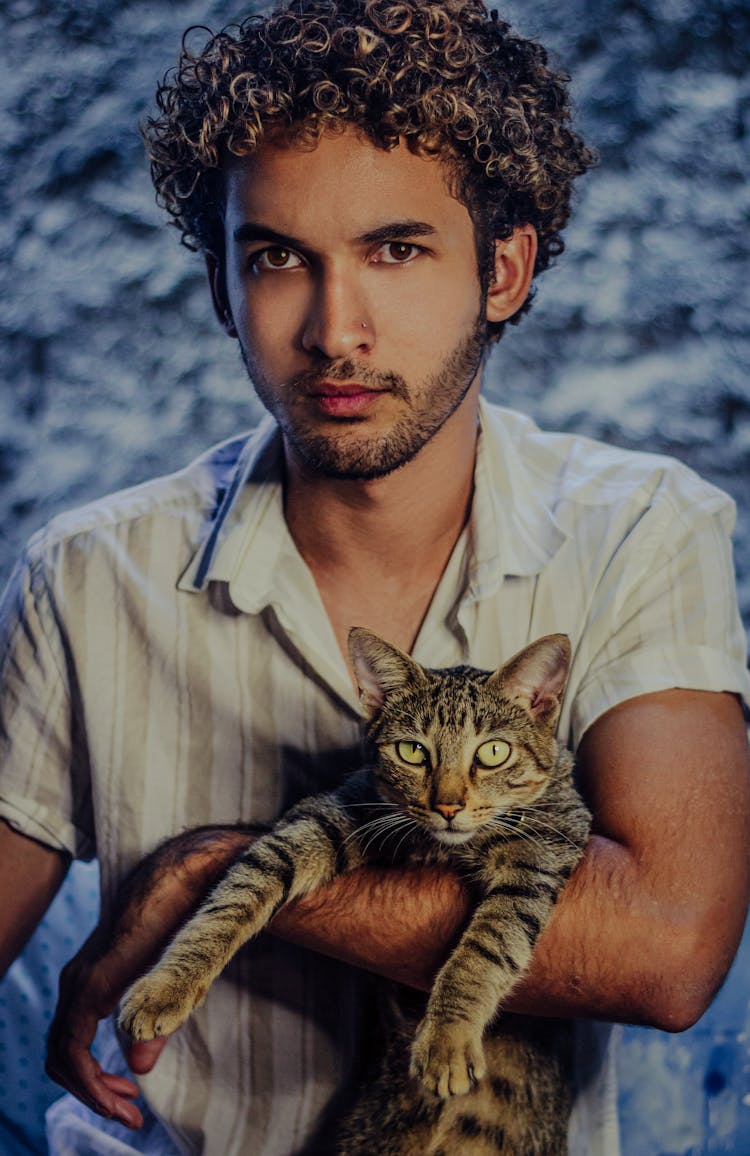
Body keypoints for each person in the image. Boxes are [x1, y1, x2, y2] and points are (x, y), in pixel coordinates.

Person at [1, 1, 748, 1152]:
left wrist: (220, 869)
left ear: (502, 270)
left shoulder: (645, 528)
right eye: (277, 257)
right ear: (220, 289)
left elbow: (667, 950)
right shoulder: (85, 575)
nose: (335, 329)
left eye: (395, 249)